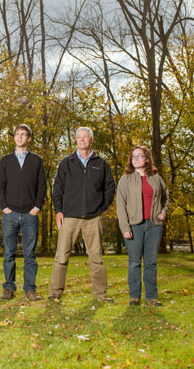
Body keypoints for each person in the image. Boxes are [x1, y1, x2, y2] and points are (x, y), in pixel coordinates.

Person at [48, 127, 115, 302]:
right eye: (79, 137)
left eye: (86, 137)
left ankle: (100, 293)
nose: (82, 140)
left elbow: (110, 188)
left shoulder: (101, 163)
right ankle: (55, 292)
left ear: (91, 140)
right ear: (76, 140)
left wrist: (102, 207)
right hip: (69, 216)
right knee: (61, 256)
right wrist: (58, 211)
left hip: (93, 218)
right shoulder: (66, 162)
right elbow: (57, 190)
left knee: (96, 258)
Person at [0, 124, 47, 301]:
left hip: (29, 215)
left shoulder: (37, 160)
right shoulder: (6, 161)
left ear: (29, 138)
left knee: (30, 255)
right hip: (10, 215)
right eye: (17, 134)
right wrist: (5, 208)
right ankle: (9, 287)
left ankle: (30, 289)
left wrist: (36, 208)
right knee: (9, 253)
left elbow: (42, 186)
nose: (19, 137)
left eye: (23, 134)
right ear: (14, 137)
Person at [116, 146, 169, 306]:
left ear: (147, 159)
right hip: (134, 226)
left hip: (154, 225)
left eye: (140, 156)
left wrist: (164, 211)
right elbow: (120, 205)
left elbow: (166, 197)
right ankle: (134, 297)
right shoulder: (125, 179)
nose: (136, 159)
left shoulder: (156, 178)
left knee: (151, 262)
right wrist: (125, 228)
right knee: (134, 262)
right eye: (133, 157)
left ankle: (151, 298)